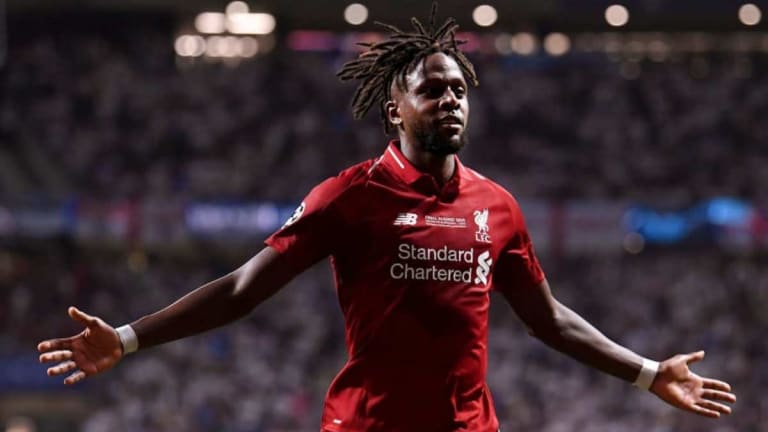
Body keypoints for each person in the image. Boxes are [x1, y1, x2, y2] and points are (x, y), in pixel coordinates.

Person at [38, 4, 736, 431]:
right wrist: (128, 338)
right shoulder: (350, 197)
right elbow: (243, 290)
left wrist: (648, 373)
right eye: (432, 90)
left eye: (459, 89)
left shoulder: (497, 207)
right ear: (393, 110)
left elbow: (548, 320)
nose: (451, 100)